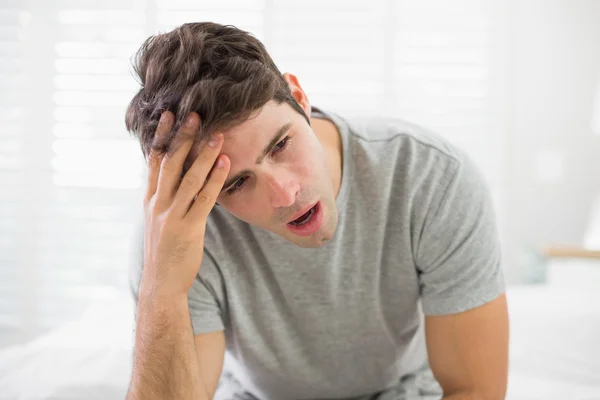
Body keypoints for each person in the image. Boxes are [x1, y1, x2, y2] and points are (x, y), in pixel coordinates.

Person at [125, 22, 509, 400]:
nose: (285, 194)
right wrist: (161, 288)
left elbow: (474, 390)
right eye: (237, 183)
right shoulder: (178, 233)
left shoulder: (431, 177)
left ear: (299, 97)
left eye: (280, 145)